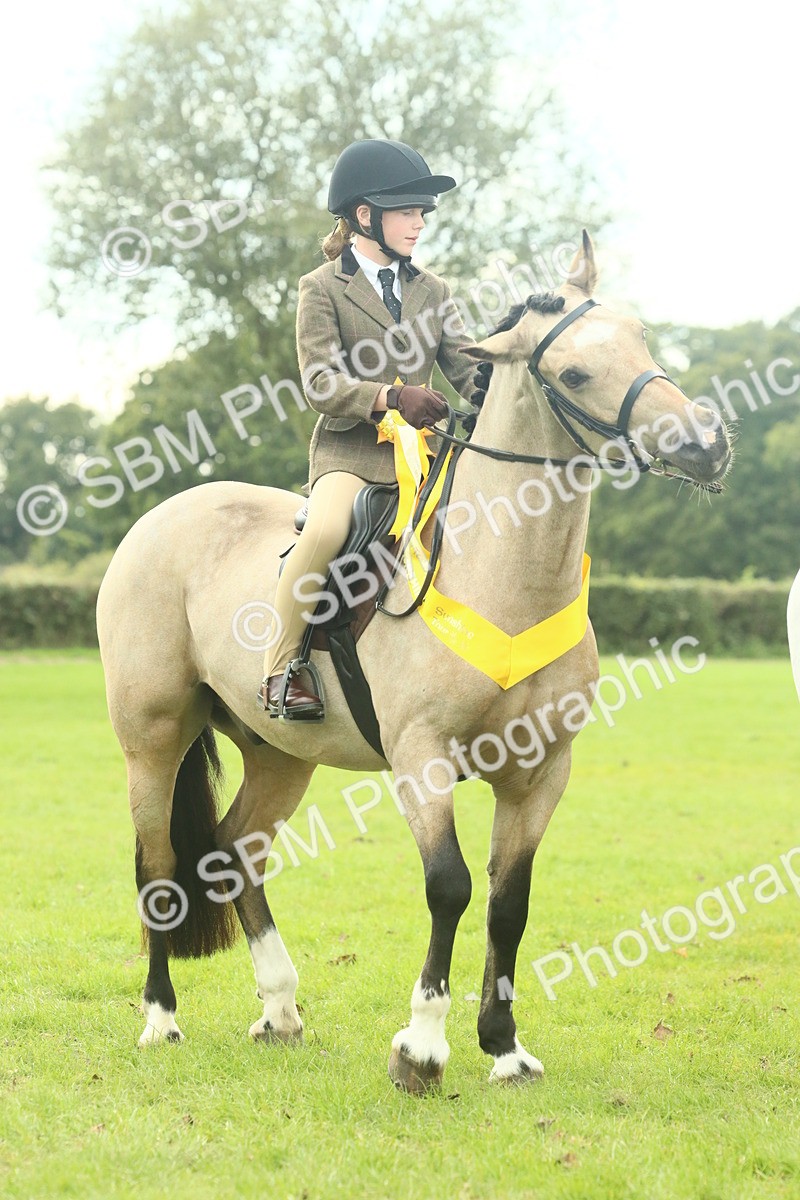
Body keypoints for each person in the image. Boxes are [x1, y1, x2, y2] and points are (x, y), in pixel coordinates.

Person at [258, 138, 475, 717]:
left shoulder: (434, 291)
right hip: (351, 457)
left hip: (427, 459)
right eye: (408, 211)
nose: (419, 223)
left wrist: (506, 398)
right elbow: (320, 384)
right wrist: (390, 396)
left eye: (422, 213)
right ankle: (281, 668)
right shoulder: (322, 288)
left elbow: (466, 370)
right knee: (326, 531)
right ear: (365, 216)